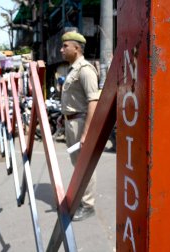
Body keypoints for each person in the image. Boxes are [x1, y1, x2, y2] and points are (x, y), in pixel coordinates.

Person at [60, 31, 100, 221]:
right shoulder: (72, 69)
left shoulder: (85, 69)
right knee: (77, 164)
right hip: (71, 122)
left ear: (76, 48)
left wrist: (86, 134)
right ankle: (81, 199)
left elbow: (93, 101)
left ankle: (88, 205)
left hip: (81, 123)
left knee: (84, 165)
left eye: (65, 46)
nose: (61, 50)